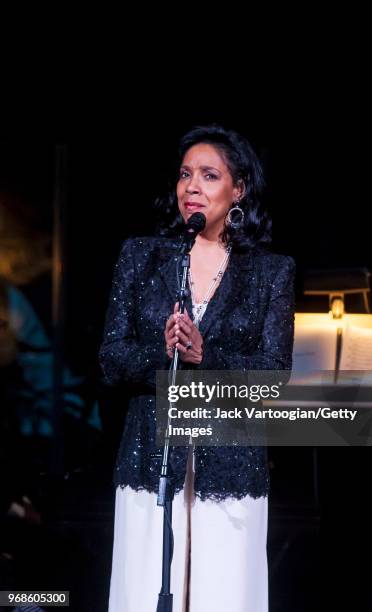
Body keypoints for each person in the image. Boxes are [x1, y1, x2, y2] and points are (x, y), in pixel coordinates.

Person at [99, 125, 295, 612]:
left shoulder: (270, 271)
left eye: (209, 175)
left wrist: (204, 356)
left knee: (224, 596)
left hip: (229, 464)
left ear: (239, 189)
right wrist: (162, 354)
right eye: (185, 175)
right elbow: (111, 358)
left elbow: (273, 374)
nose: (192, 187)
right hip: (152, 460)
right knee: (145, 593)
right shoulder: (142, 256)